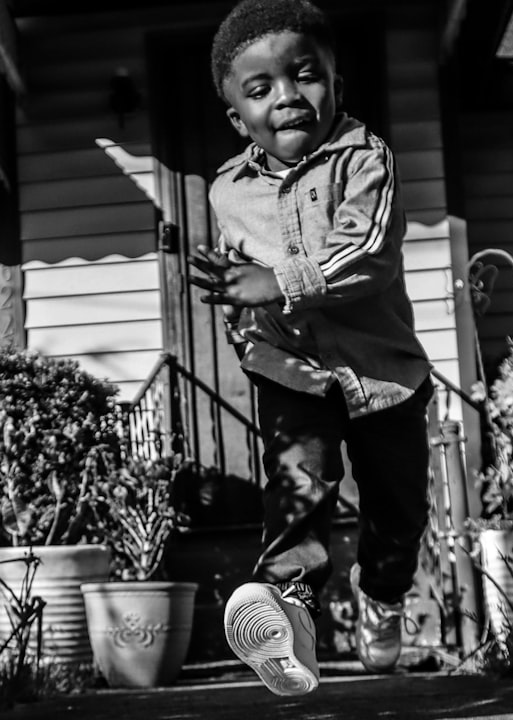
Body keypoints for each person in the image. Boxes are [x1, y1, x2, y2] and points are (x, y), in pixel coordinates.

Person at [189, 0, 434, 697]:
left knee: (398, 512)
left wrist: (277, 282)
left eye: (305, 76)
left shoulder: (365, 157)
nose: (288, 97)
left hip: (382, 372)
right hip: (292, 371)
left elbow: (369, 254)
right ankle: (289, 613)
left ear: (338, 86)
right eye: (260, 88)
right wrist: (244, 313)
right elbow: (243, 282)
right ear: (238, 117)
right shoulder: (226, 191)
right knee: (297, 491)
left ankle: (383, 597)